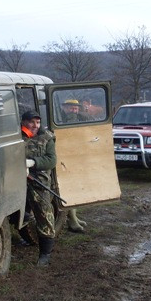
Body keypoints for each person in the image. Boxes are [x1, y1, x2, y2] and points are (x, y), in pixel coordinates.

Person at [21, 110, 58, 266]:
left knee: (44, 214)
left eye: (37, 122)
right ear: (23, 122)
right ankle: (24, 218)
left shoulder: (47, 138)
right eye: (31, 122)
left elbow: (51, 160)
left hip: (38, 181)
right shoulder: (14, 136)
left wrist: (33, 163)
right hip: (16, 180)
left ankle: (45, 255)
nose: (35, 125)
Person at [60, 99, 89, 233]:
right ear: (64, 108)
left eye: (76, 109)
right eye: (71, 108)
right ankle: (71, 220)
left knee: (75, 189)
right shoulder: (60, 118)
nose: (74, 111)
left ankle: (74, 217)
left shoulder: (80, 118)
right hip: (64, 158)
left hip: (76, 157)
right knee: (68, 190)